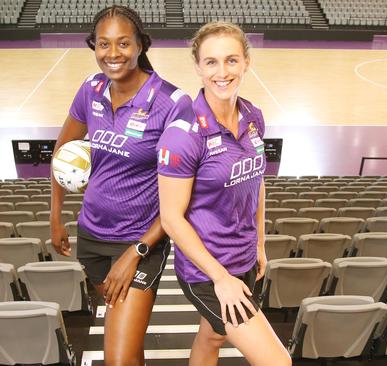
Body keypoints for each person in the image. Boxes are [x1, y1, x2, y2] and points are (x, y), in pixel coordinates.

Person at [49, 5, 194, 365]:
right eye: (103, 44)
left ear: (141, 45)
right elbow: (62, 151)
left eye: (123, 43)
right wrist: (55, 215)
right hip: (93, 238)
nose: (112, 54)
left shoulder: (172, 104)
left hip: (141, 242)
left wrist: (137, 252)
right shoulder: (91, 88)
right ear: (93, 47)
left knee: (117, 359)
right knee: (125, 346)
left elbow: (183, 197)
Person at [156, 22, 293, 366]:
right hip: (207, 271)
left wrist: (260, 242)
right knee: (278, 362)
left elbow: (257, 180)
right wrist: (221, 279)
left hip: (244, 258)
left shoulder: (252, 116)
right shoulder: (183, 135)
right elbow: (171, 218)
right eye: (211, 62)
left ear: (246, 62)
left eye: (231, 60)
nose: (222, 72)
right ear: (198, 67)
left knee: (213, 334)